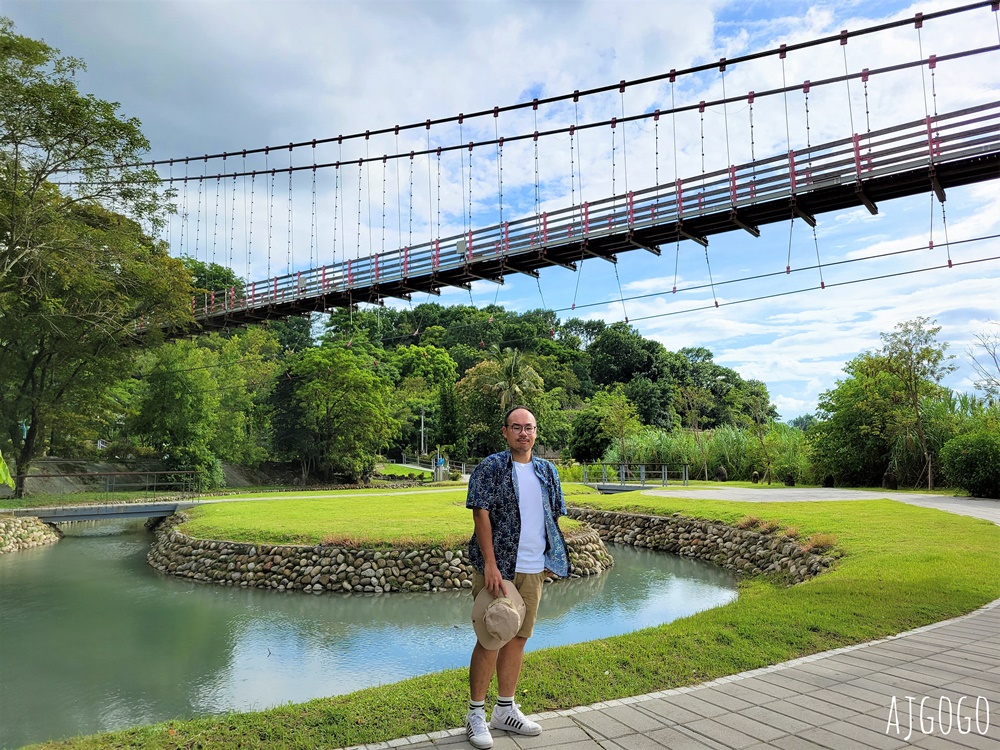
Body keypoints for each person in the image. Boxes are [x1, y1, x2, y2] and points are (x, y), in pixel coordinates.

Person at [464, 405, 569, 749]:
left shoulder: (547, 470)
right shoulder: (491, 467)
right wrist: (491, 564)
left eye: (529, 427)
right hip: (500, 568)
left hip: (532, 568)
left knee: (519, 637)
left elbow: (553, 516)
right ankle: (476, 714)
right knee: (491, 636)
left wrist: (552, 557)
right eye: (517, 427)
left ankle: (505, 710)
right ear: (505, 432)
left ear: (536, 432)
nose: (524, 433)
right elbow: (480, 515)